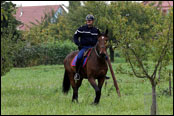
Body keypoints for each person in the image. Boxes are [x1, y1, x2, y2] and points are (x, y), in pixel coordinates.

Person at [73, 14, 109, 80]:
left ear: (93, 21)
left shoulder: (96, 30)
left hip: (94, 48)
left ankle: (103, 73)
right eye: (87, 20)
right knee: (79, 57)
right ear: (86, 21)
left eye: (90, 20)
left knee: (105, 57)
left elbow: (100, 39)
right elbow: (75, 37)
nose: (88, 21)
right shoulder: (81, 29)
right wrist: (78, 44)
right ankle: (77, 73)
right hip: (84, 47)